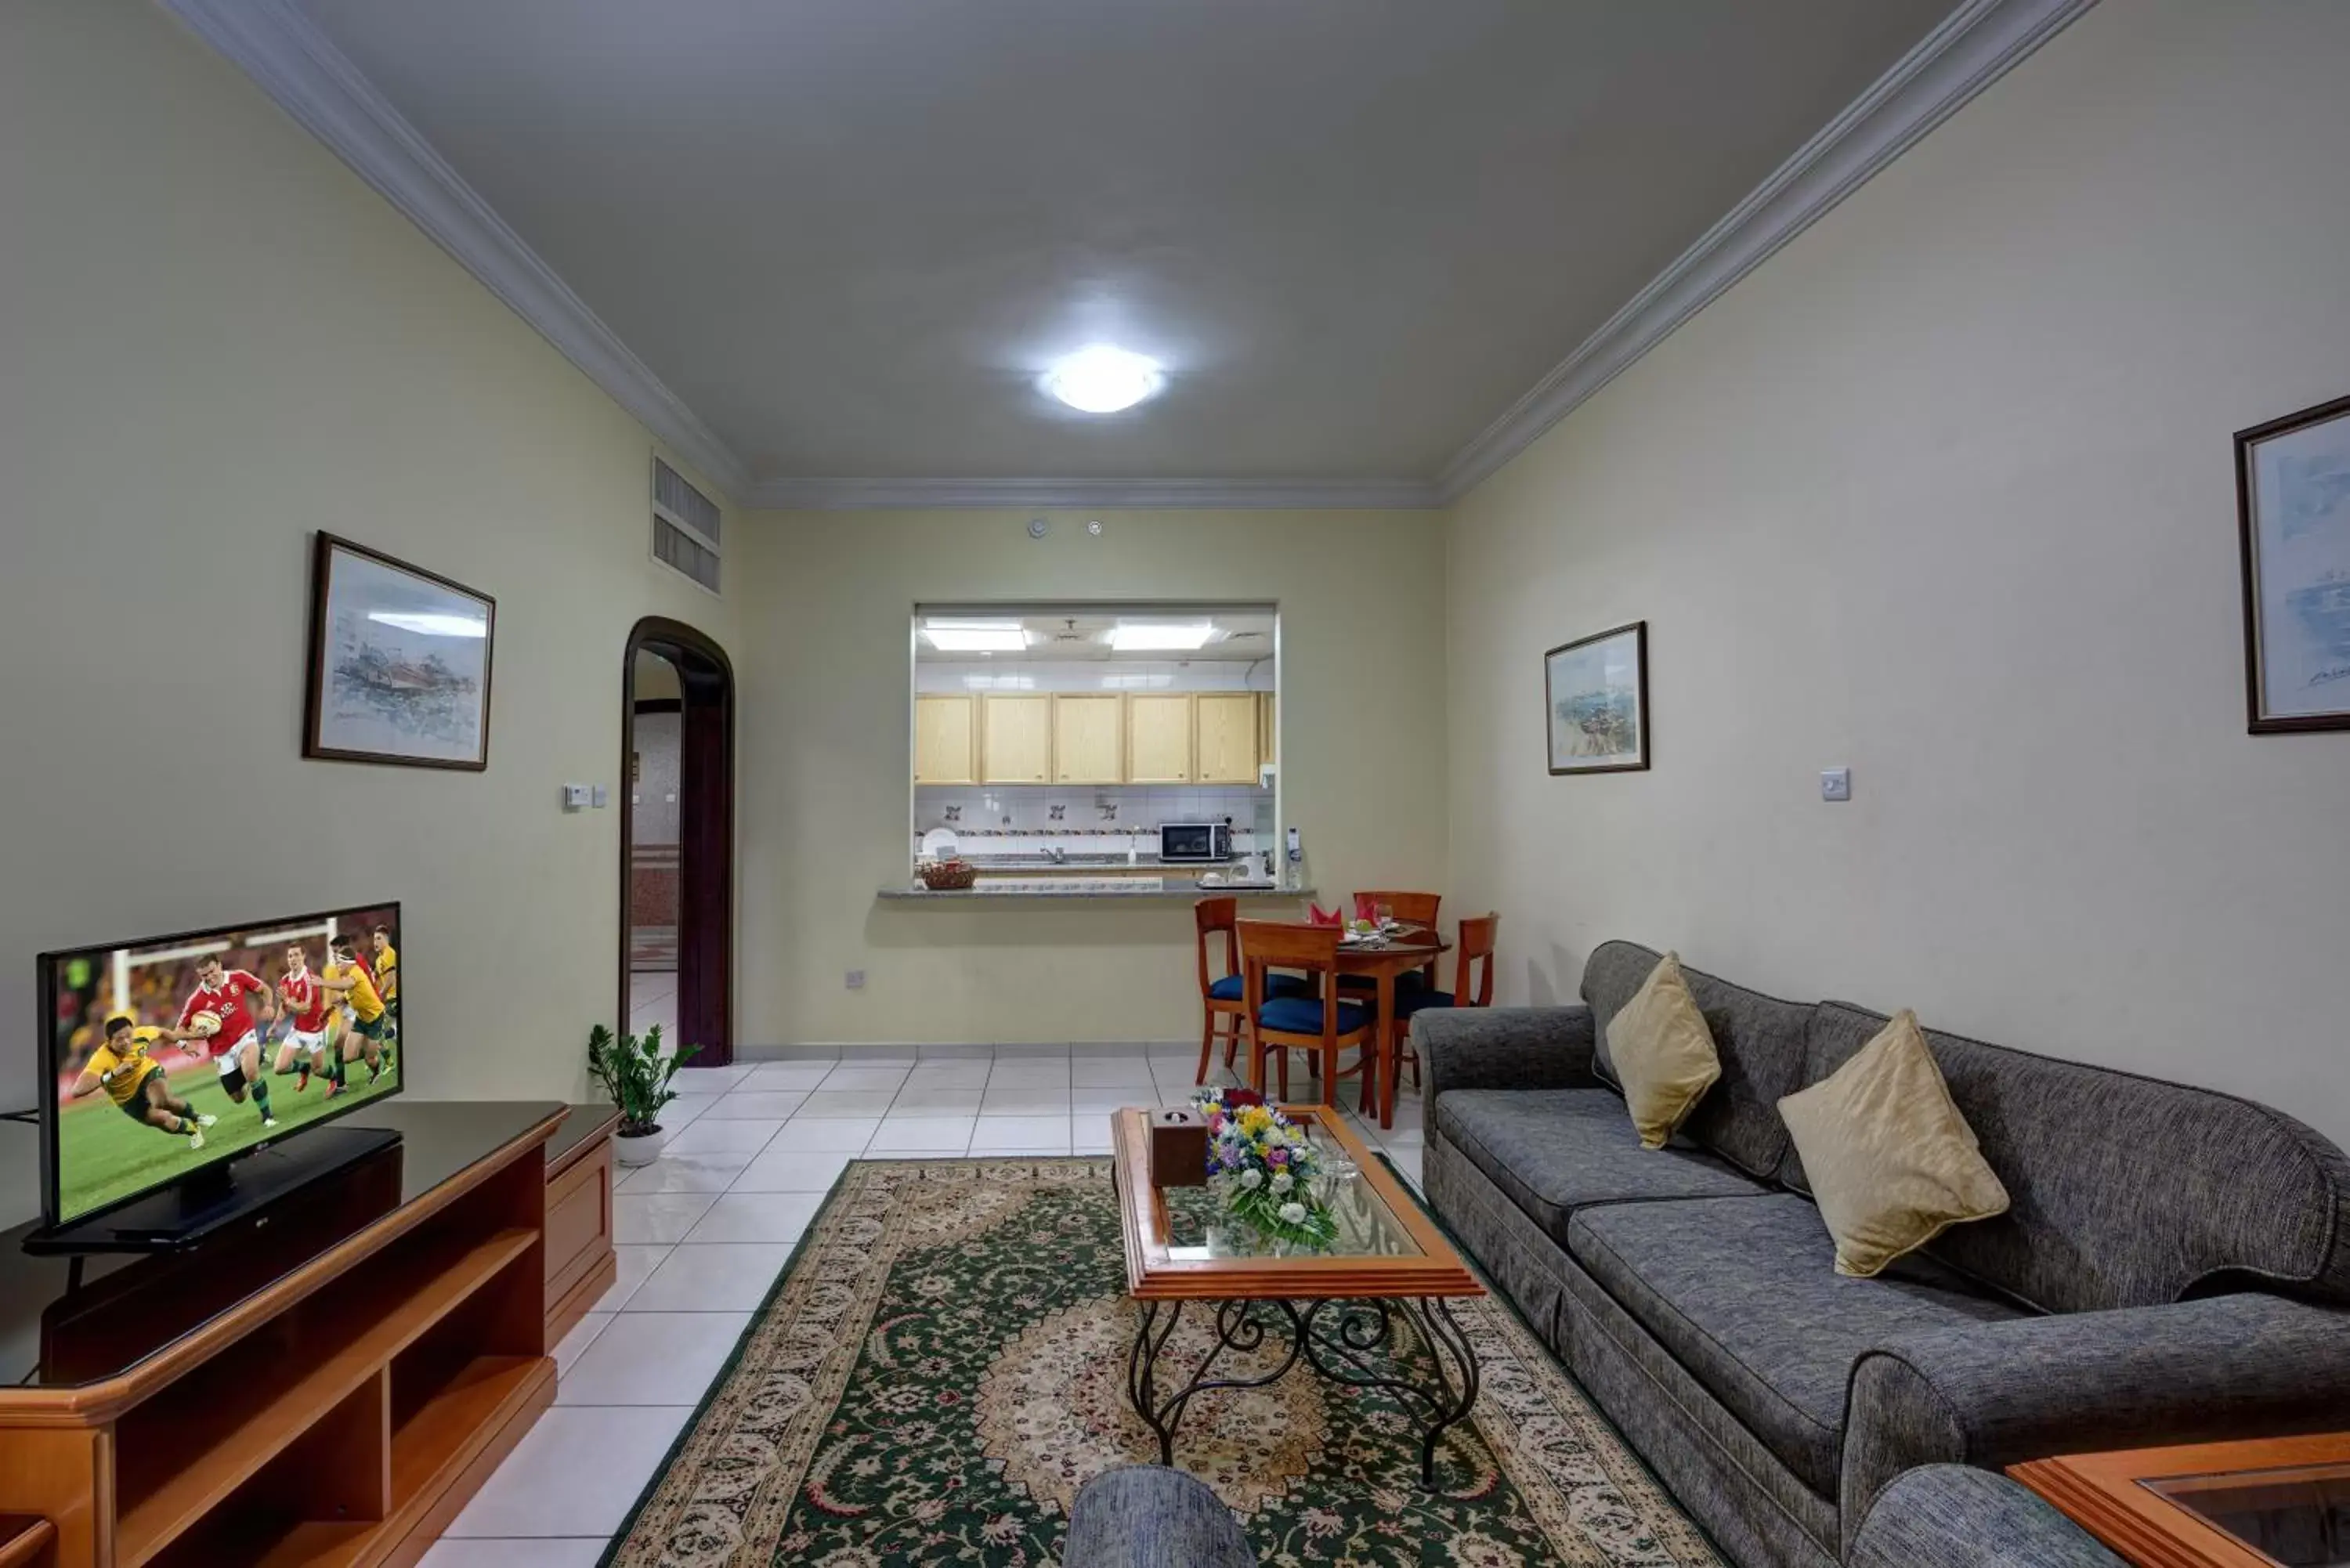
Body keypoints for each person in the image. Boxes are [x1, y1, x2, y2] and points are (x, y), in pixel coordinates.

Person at [155, 955, 277, 1129]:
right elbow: (178, 1031)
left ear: (219, 966)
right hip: (222, 1051)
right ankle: (258, 1057)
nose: (210, 977)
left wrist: (269, 1005)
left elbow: (264, 989)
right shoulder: (196, 999)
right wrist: (184, 1043)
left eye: (212, 971)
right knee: (238, 1098)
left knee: (251, 1072)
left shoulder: (238, 977)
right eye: (204, 975)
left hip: (245, 1035)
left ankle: (267, 1117)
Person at [70, 1014, 215, 1147]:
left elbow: (164, 1033)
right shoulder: (101, 1058)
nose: (126, 1042)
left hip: (147, 1074)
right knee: (164, 1120)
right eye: (120, 1039)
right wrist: (114, 1074)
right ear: (109, 1042)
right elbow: (77, 1091)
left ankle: (196, 1117)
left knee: (161, 1101)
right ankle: (193, 1131)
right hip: (127, 1099)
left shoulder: (142, 1034)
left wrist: (183, 1044)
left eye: (128, 1036)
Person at [319, 934, 391, 1097]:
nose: (335, 957)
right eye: (334, 954)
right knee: (344, 1050)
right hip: (357, 1009)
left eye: (337, 952)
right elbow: (349, 992)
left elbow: (350, 985)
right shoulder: (347, 964)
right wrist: (331, 1009)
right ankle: (344, 1081)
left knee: (348, 1047)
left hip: (370, 1009)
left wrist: (322, 983)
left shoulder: (355, 964)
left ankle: (374, 1054)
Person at [273, 941, 334, 1092]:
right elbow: (284, 1007)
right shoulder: (285, 980)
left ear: (303, 956)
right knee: (280, 1068)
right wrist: (274, 1025)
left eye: (296, 955)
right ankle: (303, 1068)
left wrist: (288, 1001)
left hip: (316, 1029)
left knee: (318, 1070)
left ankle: (335, 1078)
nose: (293, 959)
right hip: (299, 1028)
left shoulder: (309, 979)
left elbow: (306, 1008)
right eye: (290, 956)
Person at [369, 926, 399, 1028]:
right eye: (374, 939)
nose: (375, 942)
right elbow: (376, 973)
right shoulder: (379, 959)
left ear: (386, 940)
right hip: (389, 999)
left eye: (379, 938)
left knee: (380, 1029)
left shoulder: (389, 953)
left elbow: (390, 979)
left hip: (395, 998)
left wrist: (381, 994)